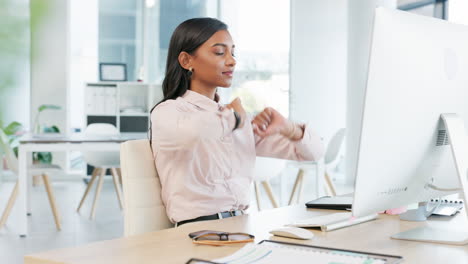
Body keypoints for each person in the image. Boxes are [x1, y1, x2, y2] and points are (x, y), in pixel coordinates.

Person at [151, 17, 324, 226]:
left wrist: (290, 129)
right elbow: (198, 132)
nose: (232, 61)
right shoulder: (168, 112)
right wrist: (236, 118)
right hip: (197, 232)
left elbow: (314, 153)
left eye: (233, 52)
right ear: (187, 61)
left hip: (242, 226)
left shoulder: (237, 120)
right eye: (219, 52)